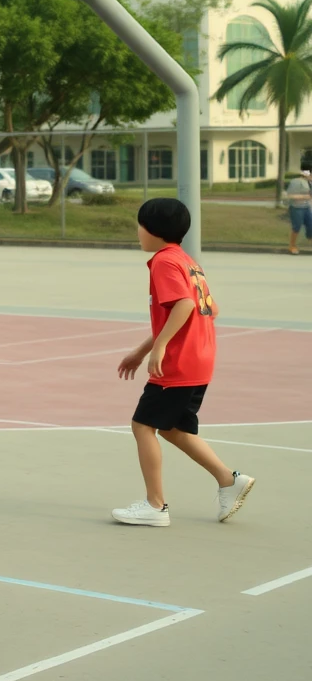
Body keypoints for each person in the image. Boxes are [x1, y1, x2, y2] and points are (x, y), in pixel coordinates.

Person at [113, 198, 254, 527]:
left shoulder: (164, 262)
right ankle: (228, 480)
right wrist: (141, 349)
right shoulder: (186, 261)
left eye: (140, 225)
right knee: (173, 429)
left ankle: (155, 506)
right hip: (200, 359)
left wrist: (159, 347)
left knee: (142, 425)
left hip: (179, 362)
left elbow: (185, 306)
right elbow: (210, 309)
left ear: (154, 231)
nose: (137, 232)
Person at [285, 168, 312, 255]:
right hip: (297, 208)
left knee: (310, 226)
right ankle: (292, 246)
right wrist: (305, 197)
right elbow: (290, 196)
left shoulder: (309, 183)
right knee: (296, 227)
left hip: (306, 207)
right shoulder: (296, 182)